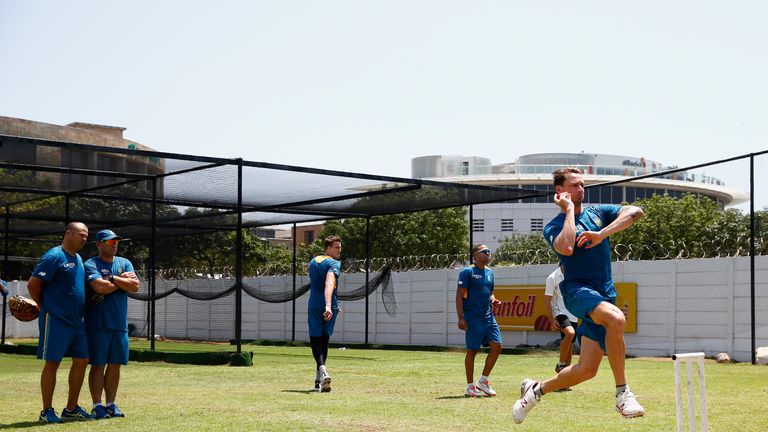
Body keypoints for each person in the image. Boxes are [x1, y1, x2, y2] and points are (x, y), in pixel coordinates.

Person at [513, 167, 646, 423]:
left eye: (583, 184)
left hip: (605, 294)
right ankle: (623, 394)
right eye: (574, 185)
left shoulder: (599, 213)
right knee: (617, 320)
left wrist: (601, 234)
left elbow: (635, 212)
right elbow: (566, 247)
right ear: (560, 191)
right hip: (577, 290)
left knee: (587, 370)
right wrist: (568, 211)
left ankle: (535, 391)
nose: (581, 189)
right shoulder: (553, 226)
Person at [27, 222, 93, 423]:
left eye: (86, 236)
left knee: (82, 360)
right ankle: (46, 411)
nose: (84, 238)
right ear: (68, 233)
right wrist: (42, 305)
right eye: (81, 234)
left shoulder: (79, 258)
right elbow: (33, 284)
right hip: (56, 319)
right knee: (53, 363)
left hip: (77, 321)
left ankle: (71, 408)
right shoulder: (54, 256)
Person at [84, 229, 139, 419]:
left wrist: (113, 278)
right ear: (98, 244)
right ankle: (97, 406)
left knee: (115, 365)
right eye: (109, 242)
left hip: (119, 324)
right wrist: (123, 281)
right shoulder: (91, 263)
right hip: (98, 323)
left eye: (115, 241)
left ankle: (110, 405)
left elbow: (135, 286)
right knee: (98, 364)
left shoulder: (125, 262)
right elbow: (99, 287)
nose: (114, 244)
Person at [456, 244, 502, 397]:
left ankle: (483, 382)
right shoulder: (467, 272)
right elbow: (459, 296)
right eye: (484, 252)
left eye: (489, 251)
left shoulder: (490, 273)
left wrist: (493, 300)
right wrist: (461, 317)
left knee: (497, 346)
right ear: (475, 255)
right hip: (473, 317)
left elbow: (490, 293)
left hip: (489, 316)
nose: (488, 254)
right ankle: (470, 387)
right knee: (472, 350)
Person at [308, 235, 342, 392]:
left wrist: (335, 303)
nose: (339, 250)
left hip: (313, 304)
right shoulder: (334, 263)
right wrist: (329, 305)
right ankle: (323, 370)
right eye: (337, 247)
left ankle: (318, 381)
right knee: (324, 340)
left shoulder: (313, 261)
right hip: (327, 305)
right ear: (328, 248)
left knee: (315, 339)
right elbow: (329, 283)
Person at [544, 263, 578, 390]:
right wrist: (551, 319)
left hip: (573, 313)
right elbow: (547, 300)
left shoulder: (574, 275)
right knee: (570, 333)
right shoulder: (552, 277)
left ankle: (564, 382)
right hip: (560, 312)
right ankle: (560, 364)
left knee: (570, 347)